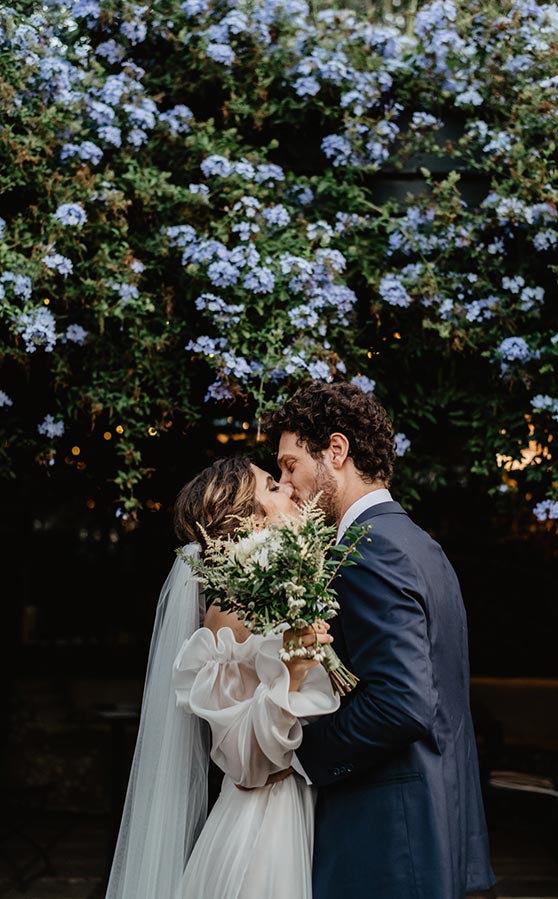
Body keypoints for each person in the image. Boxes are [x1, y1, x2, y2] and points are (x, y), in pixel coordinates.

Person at [263, 380, 497, 899]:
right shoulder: (418, 543)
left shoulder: (369, 551)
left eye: (290, 464)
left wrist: (300, 757)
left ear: (337, 451)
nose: (286, 482)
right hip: (434, 822)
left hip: (388, 839)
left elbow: (402, 703)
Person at [105, 455, 340, 899]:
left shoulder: (287, 585)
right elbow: (245, 762)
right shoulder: (230, 617)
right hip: (268, 824)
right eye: (273, 486)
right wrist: (291, 672)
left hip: (311, 806)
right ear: (248, 523)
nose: (289, 489)